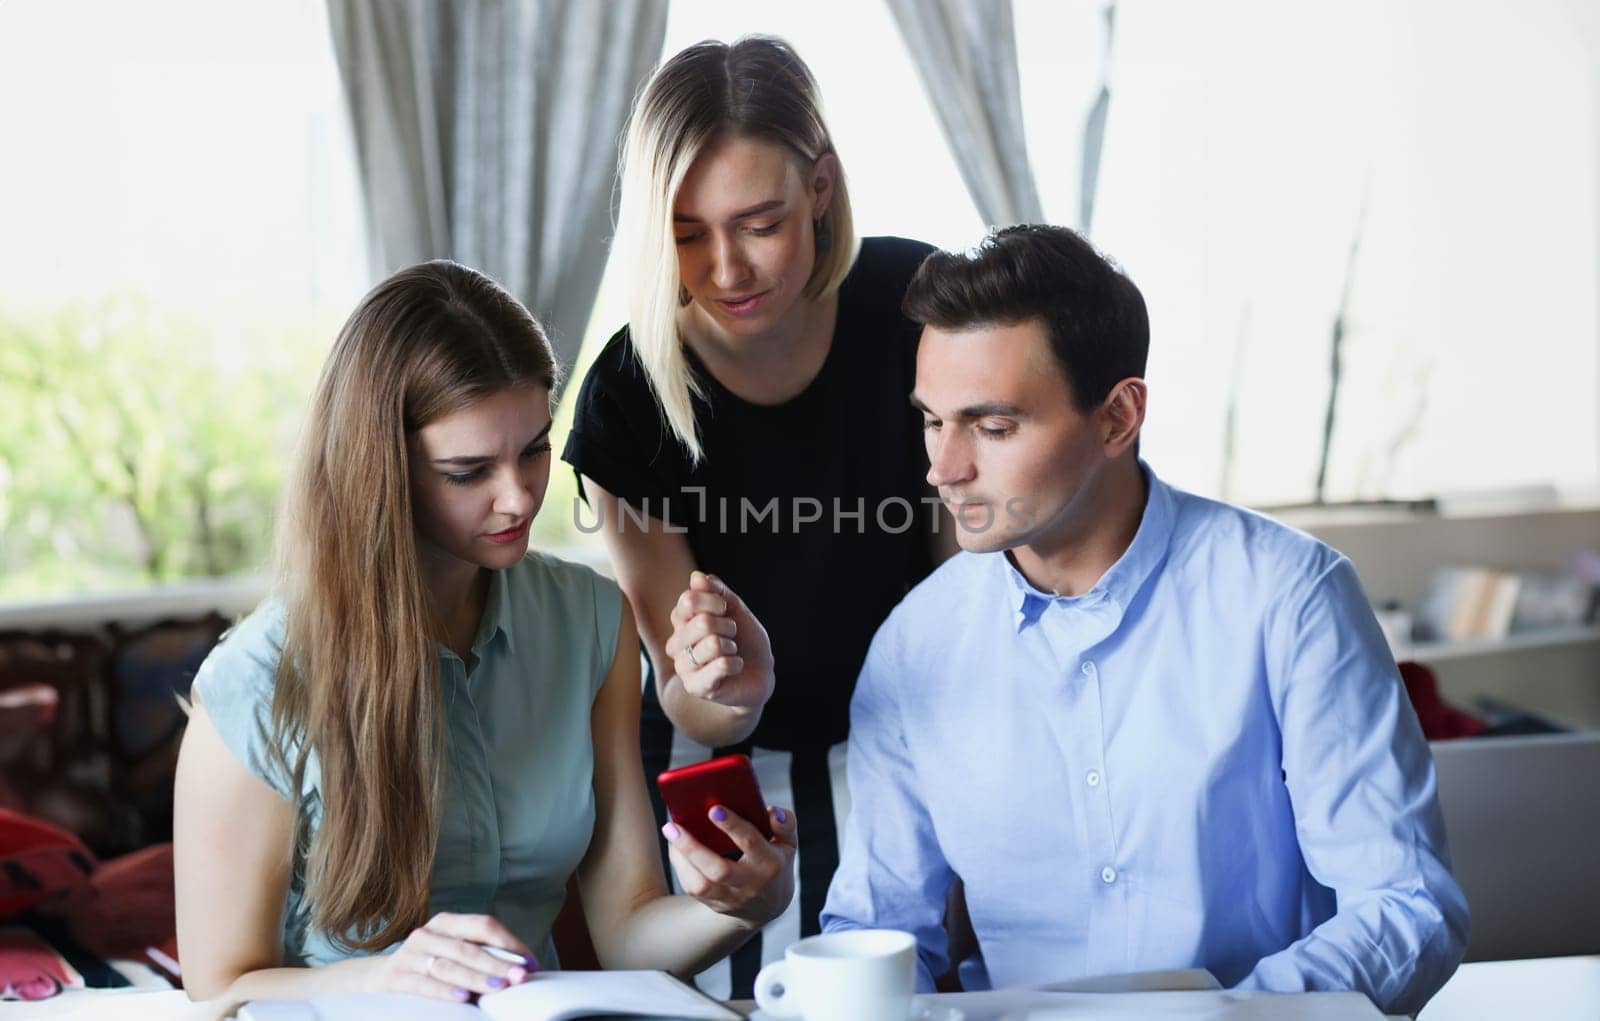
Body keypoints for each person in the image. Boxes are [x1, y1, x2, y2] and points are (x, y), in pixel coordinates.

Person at [820, 225, 1469, 1015]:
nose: (943, 467)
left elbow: (1405, 904)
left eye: (992, 427)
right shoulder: (913, 647)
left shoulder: (1291, 598)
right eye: (932, 420)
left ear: (1119, 415)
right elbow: (876, 932)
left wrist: (1219, 1018)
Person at [172, 261, 797, 1006]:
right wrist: (383, 975)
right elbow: (215, 992)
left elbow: (626, 931)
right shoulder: (255, 683)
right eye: (469, 471)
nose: (518, 496)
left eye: (534, 449)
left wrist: (735, 902)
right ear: (382, 471)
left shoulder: (588, 620)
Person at [562, 36, 946, 997]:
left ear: (821, 186)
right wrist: (723, 678)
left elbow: (967, 596)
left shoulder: (920, 309)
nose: (726, 267)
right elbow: (688, 697)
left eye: (759, 222)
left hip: (914, 732)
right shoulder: (629, 390)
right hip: (724, 763)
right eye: (687, 232)